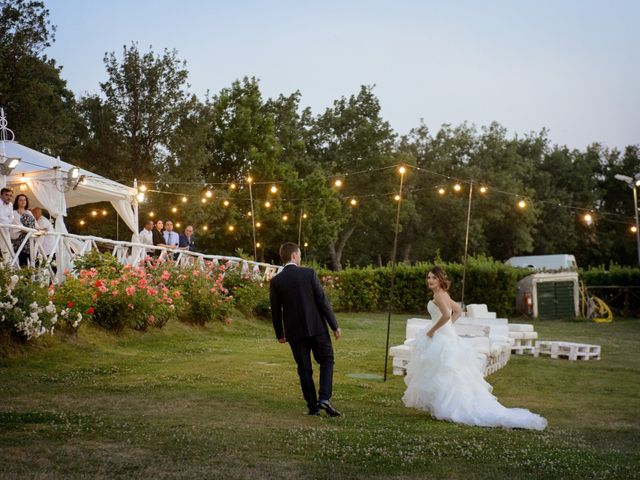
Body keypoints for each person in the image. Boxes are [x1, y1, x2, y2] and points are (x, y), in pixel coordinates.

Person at [402, 266, 547, 430]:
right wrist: (446, 327)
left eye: (433, 278)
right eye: (428, 277)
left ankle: (448, 406)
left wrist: (433, 330)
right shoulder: (443, 294)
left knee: (444, 372)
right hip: (446, 334)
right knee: (445, 372)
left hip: (441, 336)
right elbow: (457, 311)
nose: (429, 280)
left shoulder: (438, 295)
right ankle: (442, 404)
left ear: (441, 280)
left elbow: (447, 315)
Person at [270, 242, 342, 417]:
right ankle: (324, 397)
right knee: (327, 360)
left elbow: (275, 310)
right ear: (294, 256)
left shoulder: (276, 280)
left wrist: (280, 333)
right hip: (317, 327)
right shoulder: (309, 273)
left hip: (294, 332)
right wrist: (334, 325)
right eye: (300, 255)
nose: (300, 258)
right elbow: (322, 301)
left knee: (304, 369)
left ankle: (313, 407)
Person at [12, 194, 36, 267]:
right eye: (20, 200)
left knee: (34, 262)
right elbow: (19, 228)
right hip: (21, 241)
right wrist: (32, 231)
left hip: (31, 240)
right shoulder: (14, 212)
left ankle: (33, 278)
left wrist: (42, 230)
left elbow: (36, 225)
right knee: (23, 264)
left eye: (24, 200)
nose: (23, 201)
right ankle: (23, 278)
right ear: (17, 202)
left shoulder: (29, 212)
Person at [0, 188, 15, 262]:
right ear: (1, 195)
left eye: (10, 195)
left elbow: (12, 217)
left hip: (6, 230)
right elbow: (1, 217)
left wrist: (7, 222)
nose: (9, 197)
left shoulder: (10, 204)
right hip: (1, 229)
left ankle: (6, 269)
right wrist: (7, 221)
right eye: (6, 195)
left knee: (7, 250)